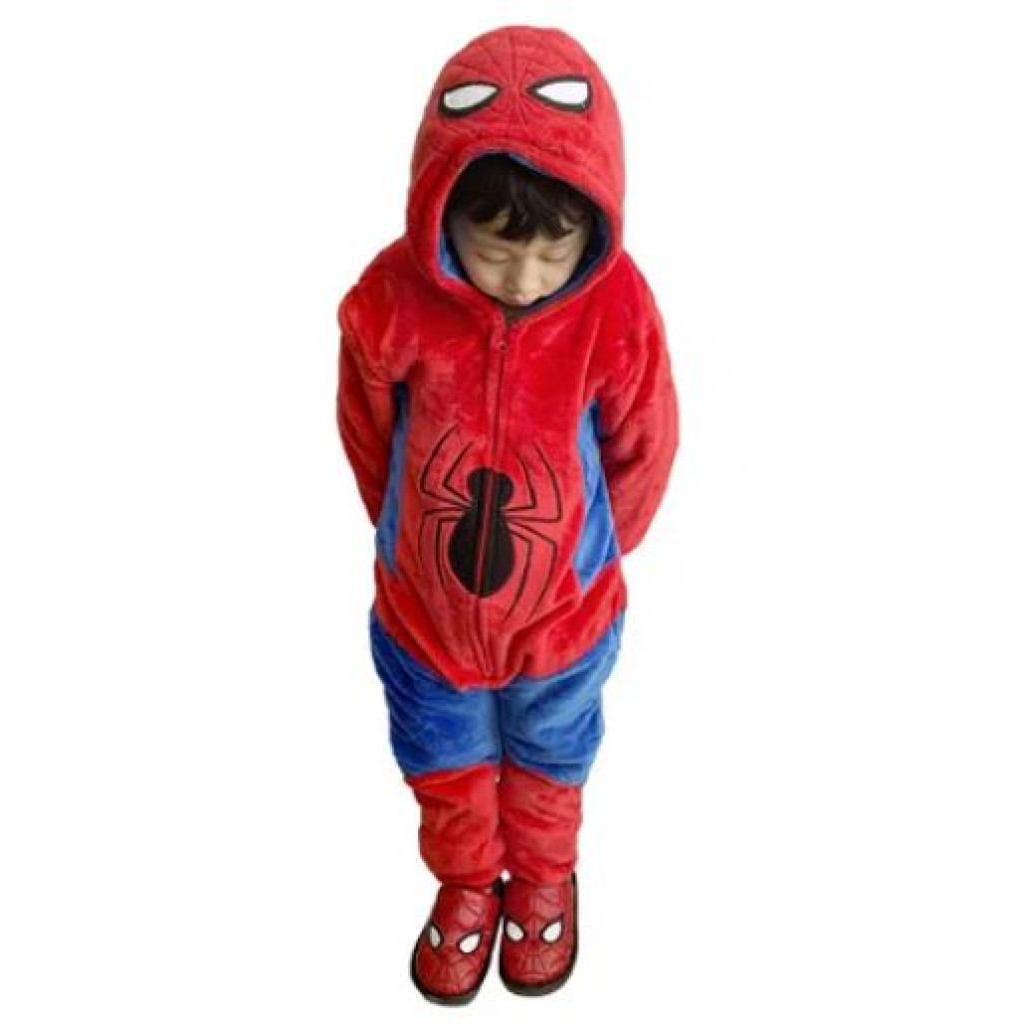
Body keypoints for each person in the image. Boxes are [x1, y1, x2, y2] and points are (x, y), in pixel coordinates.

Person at [336, 24, 680, 1004]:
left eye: (551, 253)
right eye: (492, 250)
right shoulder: (389, 299)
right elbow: (366, 430)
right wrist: (401, 535)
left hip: (563, 620)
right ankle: (462, 881)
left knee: (552, 755)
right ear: (439, 209)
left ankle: (543, 875)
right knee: (440, 757)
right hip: (425, 617)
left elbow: (645, 443)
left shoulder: (616, 310)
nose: (523, 280)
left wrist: (592, 557)